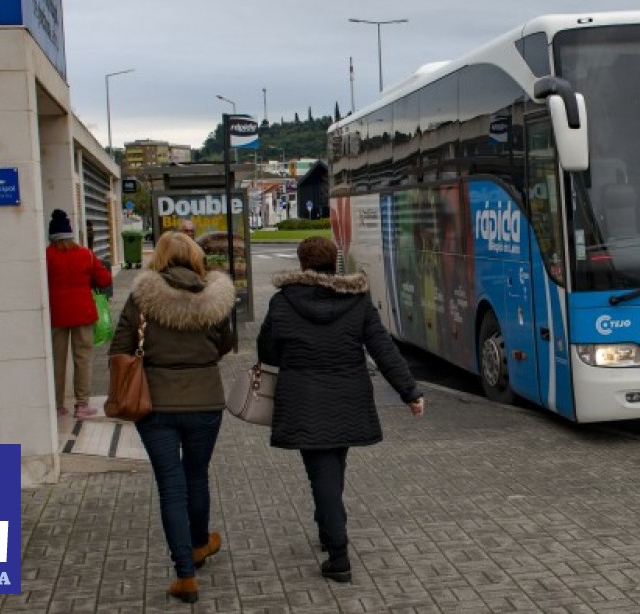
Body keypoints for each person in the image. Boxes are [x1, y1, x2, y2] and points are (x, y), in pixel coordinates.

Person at [257, 236, 425, 584]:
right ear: (334, 264)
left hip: (302, 400)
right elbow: (383, 349)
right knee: (332, 467)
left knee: (321, 473)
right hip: (347, 396)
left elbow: (268, 353)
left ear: (302, 264)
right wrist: (409, 392)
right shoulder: (357, 301)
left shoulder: (282, 302)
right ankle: (328, 528)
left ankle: (338, 555)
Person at [109, 231, 238, 603]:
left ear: (160, 257)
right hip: (206, 402)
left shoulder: (142, 296)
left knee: (171, 484)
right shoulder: (213, 296)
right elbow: (226, 344)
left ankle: (185, 575)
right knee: (196, 476)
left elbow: (120, 347)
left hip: (156, 405)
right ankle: (199, 544)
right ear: (195, 257)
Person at [46, 209, 112, 419]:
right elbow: (105, 280)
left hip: (56, 314)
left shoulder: (45, 256)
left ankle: (57, 405)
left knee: (57, 359)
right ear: (70, 233)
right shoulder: (86, 254)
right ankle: (82, 405)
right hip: (83, 314)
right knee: (83, 359)